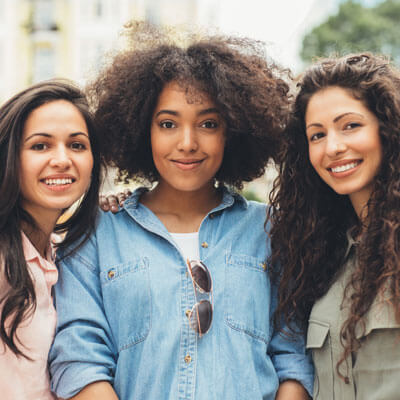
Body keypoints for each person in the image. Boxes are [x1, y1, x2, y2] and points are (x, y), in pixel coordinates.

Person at [49, 22, 313, 400]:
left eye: (208, 123)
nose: (187, 143)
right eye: (168, 123)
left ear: (233, 131)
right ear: (143, 130)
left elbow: (292, 356)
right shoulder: (97, 233)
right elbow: (80, 358)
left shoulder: (269, 231)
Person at [268, 53, 400, 399]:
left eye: (351, 126)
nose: (334, 147)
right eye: (317, 135)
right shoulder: (320, 258)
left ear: (387, 128)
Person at [0, 80, 102, 399]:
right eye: (40, 145)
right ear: (9, 157)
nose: (62, 159)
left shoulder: (62, 253)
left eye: (77, 145)